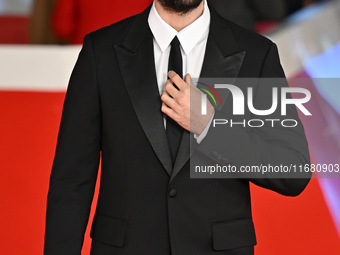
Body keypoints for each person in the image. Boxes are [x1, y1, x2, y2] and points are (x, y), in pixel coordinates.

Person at [44, 0, 311, 254]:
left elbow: (292, 170)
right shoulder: (100, 51)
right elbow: (71, 180)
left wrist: (209, 126)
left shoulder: (257, 53)